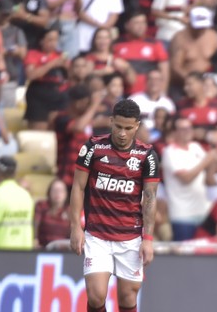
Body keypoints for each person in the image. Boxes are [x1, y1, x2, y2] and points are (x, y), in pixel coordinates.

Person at [69, 99, 160, 312]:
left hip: (130, 237)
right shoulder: (93, 148)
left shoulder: (147, 155)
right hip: (97, 234)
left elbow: (150, 199)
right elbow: (77, 187)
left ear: (137, 126)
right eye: (118, 126)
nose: (122, 133)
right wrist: (75, 227)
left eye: (128, 128)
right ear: (111, 121)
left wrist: (148, 239)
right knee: (96, 295)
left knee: (128, 298)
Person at [33, 178, 70, 249]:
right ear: (49, 192)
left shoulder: (70, 211)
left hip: (64, 252)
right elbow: (35, 226)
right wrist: (35, 240)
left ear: (66, 194)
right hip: (42, 249)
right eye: (55, 190)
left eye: (61, 191)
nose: (57, 193)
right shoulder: (41, 206)